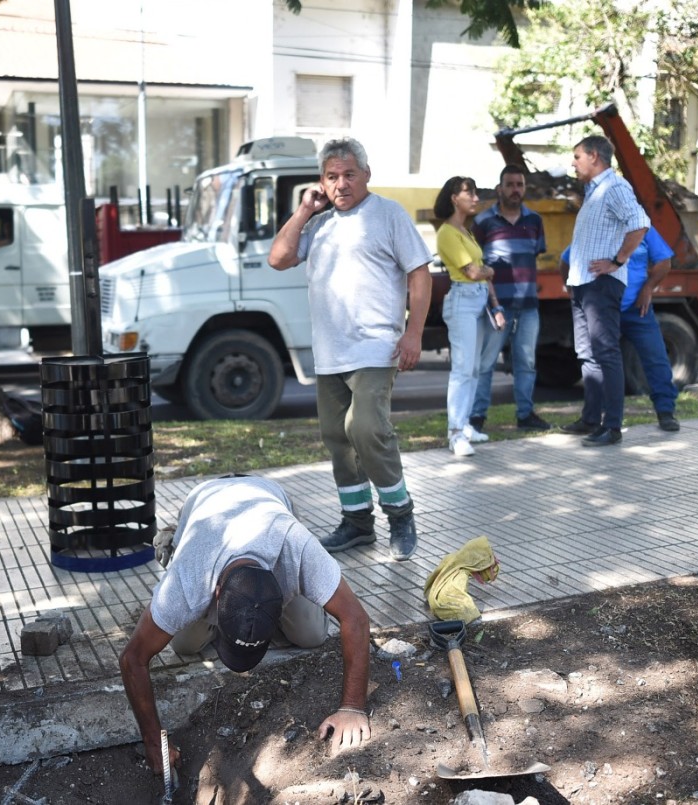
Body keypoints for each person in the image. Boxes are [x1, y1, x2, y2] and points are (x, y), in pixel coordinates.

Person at [119, 475, 372, 779]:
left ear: (279, 593)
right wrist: (152, 743)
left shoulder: (297, 546)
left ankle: (261, 614)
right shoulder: (188, 580)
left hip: (268, 500)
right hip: (206, 506)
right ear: (215, 595)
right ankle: (171, 543)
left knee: (312, 635)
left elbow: (356, 618)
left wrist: (353, 707)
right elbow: (132, 658)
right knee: (184, 644)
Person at [268, 137, 428, 561]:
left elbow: (420, 274)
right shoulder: (317, 224)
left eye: (349, 174)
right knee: (337, 438)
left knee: (367, 429)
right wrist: (304, 210)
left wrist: (414, 333)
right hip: (330, 352)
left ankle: (400, 515)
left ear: (366, 174)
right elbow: (278, 258)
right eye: (332, 176)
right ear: (321, 181)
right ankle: (357, 523)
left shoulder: (388, 214)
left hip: (376, 347)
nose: (341, 184)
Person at [560, 135, 649, 447]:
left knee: (606, 352)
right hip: (583, 284)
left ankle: (612, 427)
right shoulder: (593, 192)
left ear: (594, 156)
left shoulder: (615, 187)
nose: (573, 163)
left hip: (601, 285)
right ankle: (590, 420)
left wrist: (617, 260)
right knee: (587, 354)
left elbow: (640, 223)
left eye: (577, 157)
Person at [562, 227, 681, 432]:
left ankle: (666, 412)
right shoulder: (598, 226)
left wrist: (648, 288)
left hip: (637, 308)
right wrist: (572, 289)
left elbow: (664, 262)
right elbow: (566, 260)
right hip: (603, 311)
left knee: (656, 357)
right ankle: (591, 419)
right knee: (594, 361)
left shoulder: (642, 227)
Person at [470, 164, 551, 433]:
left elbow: (532, 257)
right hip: (495, 308)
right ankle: (477, 417)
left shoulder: (535, 221)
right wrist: (494, 305)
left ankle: (525, 415)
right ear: (499, 188)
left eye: (520, 185)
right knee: (486, 362)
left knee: (526, 362)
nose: (515, 190)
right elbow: (475, 264)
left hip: (528, 306)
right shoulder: (483, 223)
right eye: (510, 184)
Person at [434, 175, 506, 457]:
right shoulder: (447, 233)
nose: (476, 198)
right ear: (455, 197)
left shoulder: (466, 231)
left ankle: (464, 426)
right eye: (470, 193)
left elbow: (481, 272)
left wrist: (496, 304)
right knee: (462, 369)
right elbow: (475, 271)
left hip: (477, 301)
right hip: (462, 300)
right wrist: (489, 271)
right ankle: (454, 433)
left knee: (473, 368)